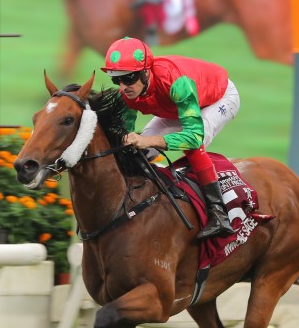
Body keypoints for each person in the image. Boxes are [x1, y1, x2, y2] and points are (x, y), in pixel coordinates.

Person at [101, 36, 238, 239]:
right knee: (137, 151)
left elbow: (193, 137)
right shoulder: (127, 94)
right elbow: (126, 135)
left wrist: (149, 141)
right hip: (175, 108)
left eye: (129, 78)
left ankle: (219, 214)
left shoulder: (177, 82)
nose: (122, 87)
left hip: (218, 98)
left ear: (146, 72)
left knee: (191, 145)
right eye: (116, 80)